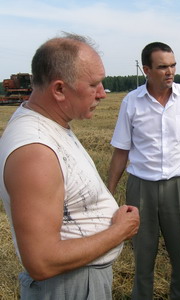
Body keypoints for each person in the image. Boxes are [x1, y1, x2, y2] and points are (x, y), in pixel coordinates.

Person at [0, 33, 140, 300]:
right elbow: (41, 262)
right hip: (69, 287)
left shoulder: (49, 124)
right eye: (94, 85)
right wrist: (119, 231)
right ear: (59, 89)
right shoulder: (35, 153)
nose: (103, 94)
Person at [107, 41, 180, 300]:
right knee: (143, 258)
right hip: (141, 188)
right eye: (162, 67)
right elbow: (121, 152)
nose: (170, 72)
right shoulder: (131, 102)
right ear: (147, 70)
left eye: (173, 65)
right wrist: (108, 195)